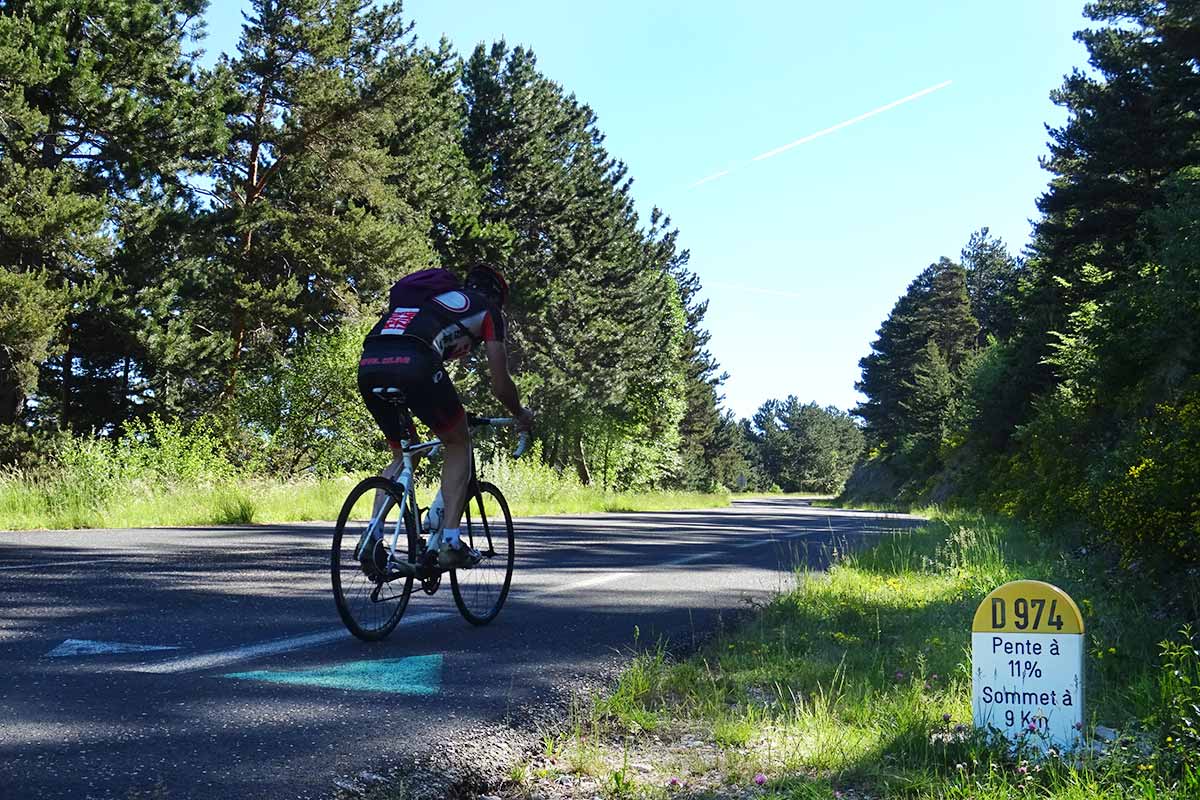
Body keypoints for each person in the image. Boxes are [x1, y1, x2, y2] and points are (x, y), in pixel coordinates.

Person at [357, 263, 534, 570]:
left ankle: (371, 537)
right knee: (458, 441)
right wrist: (520, 413)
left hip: (370, 363)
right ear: (496, 296)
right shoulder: (488, 310)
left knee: (403, 452)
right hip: (415, 363)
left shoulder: (428, 302)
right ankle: (451, 542)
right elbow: (500, 383)